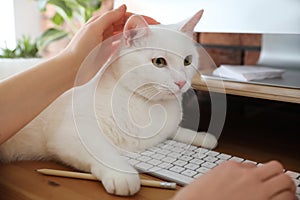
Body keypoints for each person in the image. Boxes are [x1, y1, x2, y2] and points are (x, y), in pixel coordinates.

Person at [0, 5, 296, 200]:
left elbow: (137, 130)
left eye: (187, 62)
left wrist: (179, 134)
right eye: (159, 62)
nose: (181, 80)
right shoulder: (98, 90)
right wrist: (110, 165)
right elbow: (65, 135)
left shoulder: (152, 100)